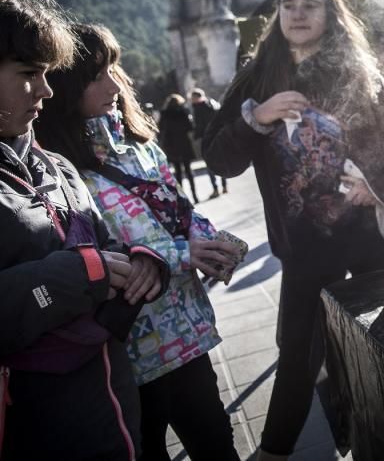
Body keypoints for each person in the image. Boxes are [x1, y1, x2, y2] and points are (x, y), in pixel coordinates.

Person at [202, 0, 384, 460]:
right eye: (288, 5)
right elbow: (219, 156)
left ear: (331, 13)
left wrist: (378, 185)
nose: (298, 14)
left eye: (311, 4)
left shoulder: (356, 67)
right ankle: (275, 452)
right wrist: (257, 118)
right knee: (297, 356)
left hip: (369, 240)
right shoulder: (258, 76)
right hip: (305, 248)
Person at [35, 24, 241, 461]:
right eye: (96, 75)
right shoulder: (58, 169)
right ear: (65, 85)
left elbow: (182, 210)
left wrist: (209, 243)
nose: (114, 83)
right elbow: (97, 254)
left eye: (114, 67)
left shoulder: (140, 143)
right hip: (127, 354)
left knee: (217, 442)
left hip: (187, 335)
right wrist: (187, 256)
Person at [0, 0, 167, 460]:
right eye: (29, 73)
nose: (46, 89)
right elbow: (80, 268)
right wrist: (74, 276)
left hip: (112, 406)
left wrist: (142, 263)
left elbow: (102, 244)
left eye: (48, 73)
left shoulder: (57, 168)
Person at [158, 94, 199, 203]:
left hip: (171, 146)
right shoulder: (183, 112)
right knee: (188, 171)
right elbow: (190, 127)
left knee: (178, 173)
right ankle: (195, 195)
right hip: (184, 144)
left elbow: (161, 130)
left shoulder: (164, 114)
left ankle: (182, 197)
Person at [189, 87, 227, 197]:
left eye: (192, 98)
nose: (191, 100)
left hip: (207, 139)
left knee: (210, 164)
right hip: (218, 137)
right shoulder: (213, 103)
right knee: (221, 161)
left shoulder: (199, 107)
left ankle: (215, 188)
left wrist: (196, 135)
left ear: (196, 97)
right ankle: (224, 186)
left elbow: (200, 125)